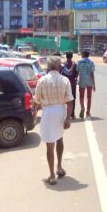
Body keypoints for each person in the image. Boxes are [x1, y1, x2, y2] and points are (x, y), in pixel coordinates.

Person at [33, 55, 74, 185]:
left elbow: (36, 101)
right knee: (60, 138)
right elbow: (70, 102)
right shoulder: (65, 80)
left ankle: (51, 176)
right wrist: (68, 119)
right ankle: (59, 168)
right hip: (61, 111)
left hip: (48, 112)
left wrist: (34, 114)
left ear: (49, 67)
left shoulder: (42, 80)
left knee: (49, 145)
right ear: (59, 67)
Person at [76, 50, 96, 119]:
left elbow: (77, 72)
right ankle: (88, 112)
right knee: (89, 97)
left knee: (81, 96)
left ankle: (82, 107)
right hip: (89, 81)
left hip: (82, 81)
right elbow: (92, 73)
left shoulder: (79, 62)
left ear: (84, 54)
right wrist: (94, 84)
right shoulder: (91, 62)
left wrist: (76, 79)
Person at [60, 51, 78, 119]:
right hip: (72, 84)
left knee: (65, 98)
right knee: (72, 98)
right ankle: (72, 114)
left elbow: (61, 73)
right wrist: (76, 78)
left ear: (66, 56)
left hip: (64, 84)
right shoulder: (74, 64)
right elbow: (76, 73)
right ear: (72, 56)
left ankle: (66, 113)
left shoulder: (63, 64)